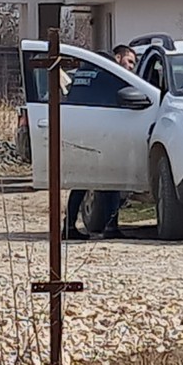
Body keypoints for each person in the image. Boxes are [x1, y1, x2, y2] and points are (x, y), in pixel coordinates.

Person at [62, 45, 136, 241]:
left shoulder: (83, 72)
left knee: (81, 181)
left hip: (81, 131)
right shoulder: (110, 74)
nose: (130, 67)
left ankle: (68, 226)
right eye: (129, 61)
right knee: (112, 178)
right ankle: (111, 226)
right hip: (104, 131)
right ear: (117, 57)